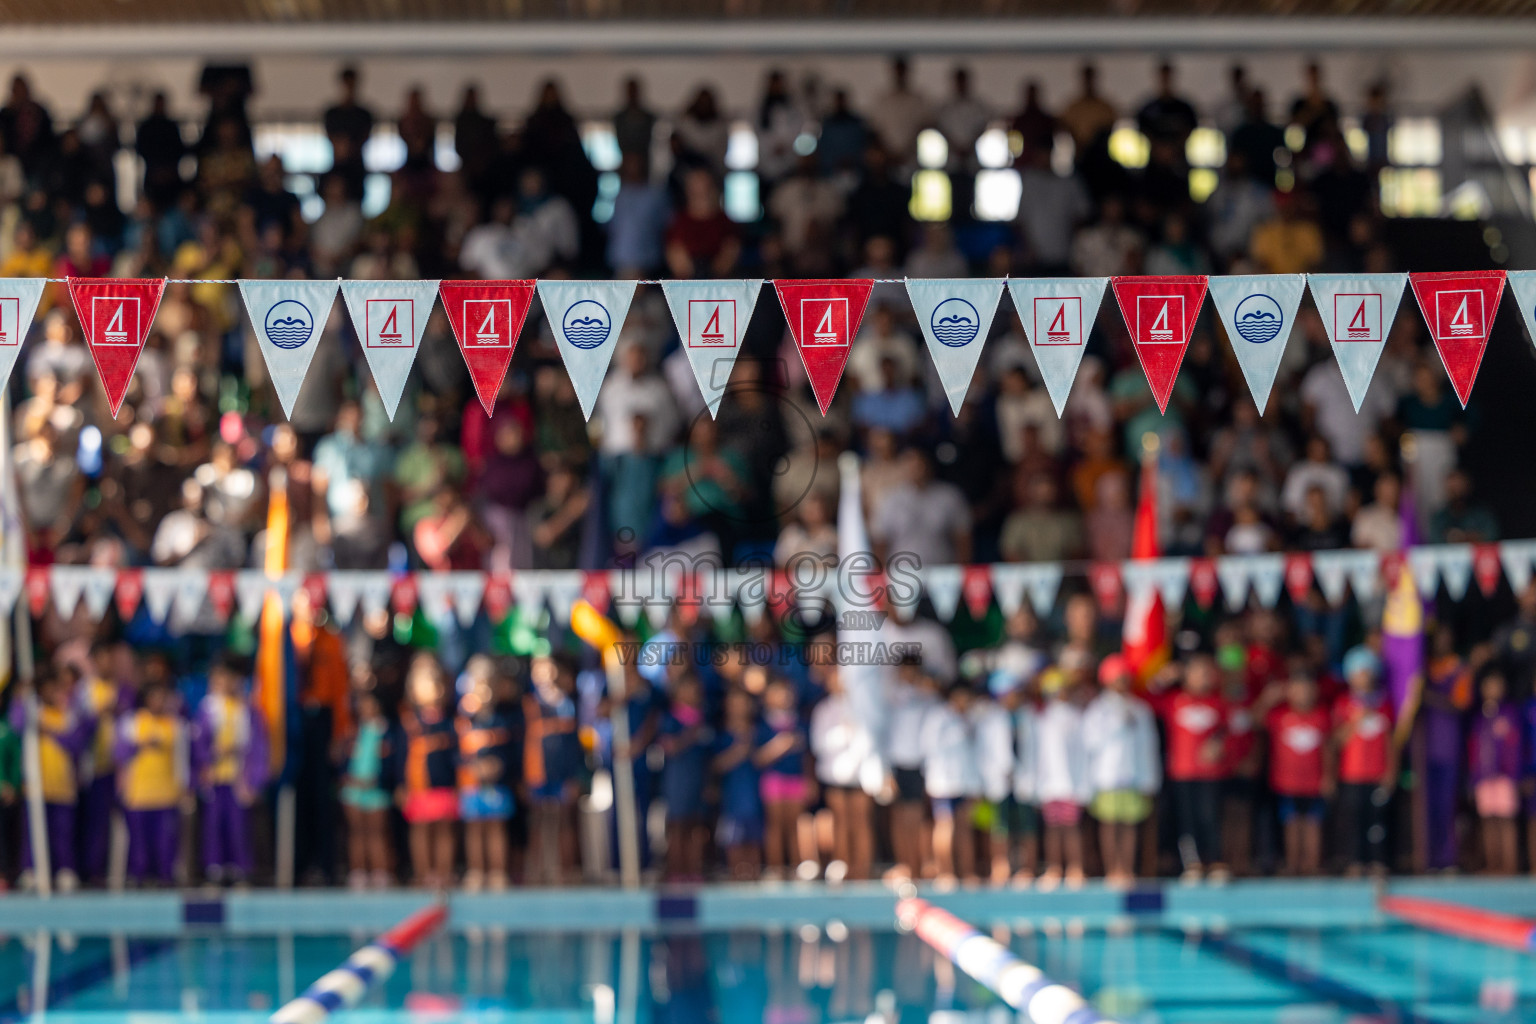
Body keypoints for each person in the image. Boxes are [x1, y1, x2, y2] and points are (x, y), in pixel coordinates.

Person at [1083, 654, 1161, 887]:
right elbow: (1090, 743)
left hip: (1134, 776)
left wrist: (1150, 779)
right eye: (1117, 678)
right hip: (1107, 777)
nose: (1122, 683)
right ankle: (1112, 869)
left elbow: (1149, 746)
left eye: (1125, 678)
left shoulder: (1140, 709)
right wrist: (1116, 723)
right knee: (1109, 824)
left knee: (1129, 825)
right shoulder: (1098, 710)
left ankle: (1126, 868)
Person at [12, 666, 92, 892]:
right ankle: (31, 870)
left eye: (57, 689)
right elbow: (16, 723)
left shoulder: (69, 715)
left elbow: (76, 743)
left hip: (63, 784)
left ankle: (65, 869)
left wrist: (50, 732)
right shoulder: (33, 712)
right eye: (48, 689)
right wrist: (20, 697)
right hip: (37, 785)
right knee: (33, 831)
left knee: (62, 833)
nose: (54, 694)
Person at [192, 658, 269, 886]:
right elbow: (198, 743)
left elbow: (258, 747)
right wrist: (205, 761)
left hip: (238, 777)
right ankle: (215, 868)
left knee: (238, 825)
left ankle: (240, 868)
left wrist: (254, 779)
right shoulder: (208, 709)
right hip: (215, 777)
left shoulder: (247, 710)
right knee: (214, 824)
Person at [1260, 665, 1333, 877]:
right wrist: (1268, 699)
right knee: (1291, 824)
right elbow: (1253, 720)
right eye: (1298, 689)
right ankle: (1293, 865)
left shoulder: (1321, 715)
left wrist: (1328, 776)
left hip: (1314, 781)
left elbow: (1328, 749)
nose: (1303, 694)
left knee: (1313, 824)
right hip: (1286, 782)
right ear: (1289, 691)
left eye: (1308, 689)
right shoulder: (1279, 716)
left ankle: (1312, 865)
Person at [117, 683, 188, 888]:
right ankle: (139, 877)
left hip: (167, 794)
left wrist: (184, 786)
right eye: (155, 697)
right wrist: (141, 744)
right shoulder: (131, 723)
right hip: (138, 794)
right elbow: (119, 753)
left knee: (165, 842)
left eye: (163, 697)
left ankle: (165, 877)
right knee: (139, 842)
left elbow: (182, 759)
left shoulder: (175, 725)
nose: (159, 702)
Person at [1333, 646, 1396, 876]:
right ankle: (1356, 862)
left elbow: (1391, 741)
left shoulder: (1384, 703)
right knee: (1354, 821)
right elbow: (1337, 740)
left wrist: (1391, 771)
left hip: (1378, 773)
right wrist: (1355, 721)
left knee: (1378, 821)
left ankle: (1378, 861)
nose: (1364, 677)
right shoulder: (1344, 704)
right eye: (1359, 673)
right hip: (1352, 773)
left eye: (1368, 672)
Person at [398, 655, 459, 889]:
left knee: (444, 831)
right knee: (420, 830)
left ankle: (443, 874)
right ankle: (423, 874)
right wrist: (401, 785)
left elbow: (455, 756)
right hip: (418, 786)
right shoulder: (408, 722)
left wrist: (458, 784)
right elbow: (401, 757)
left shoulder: (449, 723)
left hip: (443, 786)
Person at [809, 665, 875, 882]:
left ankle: (863, 868)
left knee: (860, 822)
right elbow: (818, 743)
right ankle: (843, 865)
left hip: (859, 775)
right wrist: (841, 736)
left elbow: (869, 739)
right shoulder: (823, 710)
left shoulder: (862, 707)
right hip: (834, 774)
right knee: (840, 822)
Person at [456, 656, 515, 891]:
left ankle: (498, 872)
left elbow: (509, 752)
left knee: (495, 828)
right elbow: (455, 754)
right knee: (474, 830)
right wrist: (470, 767)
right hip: (471, 786)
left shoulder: (502, 720)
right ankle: (477, 871)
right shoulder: (463, 723)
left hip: (497, 786)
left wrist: (497, 765)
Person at [524, 652, 583, 885]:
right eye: (538, 669)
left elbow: (574, 744)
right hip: (537, 773)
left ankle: (564, 870)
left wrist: (575, 776)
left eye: (548, 668)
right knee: (538, 821)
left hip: (563, 774)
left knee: (564, 821)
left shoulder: (567, 703)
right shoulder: (528, 704)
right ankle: (537, 871)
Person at [919, 681, 981, 884]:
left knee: (964, 826)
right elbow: (929, 748)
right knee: (946, 826)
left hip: (966, 782)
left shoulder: (970, 718)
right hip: (944, 782)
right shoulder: (938, 718)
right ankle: (946, 873)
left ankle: (967, 871)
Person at [1033, 668, 1088, 889]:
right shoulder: (1041, 719)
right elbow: (1037, 756)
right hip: (1049, 785)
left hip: (1071, 785)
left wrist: (1083, 785)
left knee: (1071, 828)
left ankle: (1076, 868)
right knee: (1053, 829)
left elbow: (1084, 754)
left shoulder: (1076, 717)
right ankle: (1054, 868)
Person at [341, 688, 399, 889]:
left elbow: (392, 763)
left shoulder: (387, 732)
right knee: (357, 833)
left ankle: (381, 871)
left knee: (377, 833)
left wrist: (380, 780)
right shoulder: (353, 732)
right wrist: (347, 778)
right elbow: (343, 760)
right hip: (354, 790)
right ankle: (358, 871)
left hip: (377, 790)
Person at [755, 678, 813, 880]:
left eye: (786, 692)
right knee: (775, 826)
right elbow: (759, 758)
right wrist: (780, 745)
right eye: (778, 692)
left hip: (796, 780)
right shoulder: (763, 724)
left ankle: (798, 867)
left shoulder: (799, 723)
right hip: (774, 780)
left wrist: (809, 780)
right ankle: (776, 868)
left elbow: (807, 757)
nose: (783, 697)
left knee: (796, 825)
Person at [885, 662, 937, 882]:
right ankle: (904, 865)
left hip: (919, 764)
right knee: (899, 819)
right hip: (896, 764)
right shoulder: (890, 698)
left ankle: (919, 865)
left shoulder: (927, 698)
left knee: (917, 818)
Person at [658, 675, 713, 882]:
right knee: (677, 827)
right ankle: (676, 872)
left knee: (696, 828)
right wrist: (691, 735)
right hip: (678, 780)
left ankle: (694, 871)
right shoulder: (670, 719)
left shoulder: (703, 718)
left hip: (699, 779)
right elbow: (669, 748)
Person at [1470, 668, 1520, 875]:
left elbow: (1516, 745)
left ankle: (1509, 866)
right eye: (1489, 686)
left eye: (1497, 685)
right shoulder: (1479, 717)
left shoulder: (1509, 713)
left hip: (1505, 777)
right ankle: (1493, 865)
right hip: (1484, 776)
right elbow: (1473, 748)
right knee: (1488, 821)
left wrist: (1515, 774)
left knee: (1506, 820)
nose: (1493, 690)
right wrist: (1474, 777)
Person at [712, 688, 764, 881]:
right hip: (732, 799)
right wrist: (739, 751)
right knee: (733, 841)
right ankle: (736, 879)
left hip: (755, 797)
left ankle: (753, 878)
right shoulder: (722, 735)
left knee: (754, 840)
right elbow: (716, 765)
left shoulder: (758, 731)